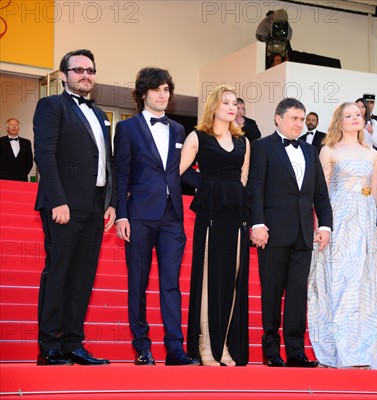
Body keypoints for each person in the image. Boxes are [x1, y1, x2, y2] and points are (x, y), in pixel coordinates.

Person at [307, 102, 377, 370]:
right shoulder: (328, 150)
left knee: (364, 282)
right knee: (341, 280)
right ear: (339, 121)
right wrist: (321, 225)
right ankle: (342, 347)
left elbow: (375, 192)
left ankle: (363, 346)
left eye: (359, 115)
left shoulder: (371, 153)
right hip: (339, 217)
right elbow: (321, 192)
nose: (355, 118)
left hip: (365, 219)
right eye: (349, 115)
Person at [33, 49, 115, 365]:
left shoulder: (99, 115)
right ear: (65, 74)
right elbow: (45, 154)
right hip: (64, 205)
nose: (85, 75)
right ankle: (49, 346)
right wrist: (57, 200)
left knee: (83, 276)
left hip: (95, 206)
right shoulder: (51, 106)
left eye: (90, 70)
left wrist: (110, 204)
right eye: (78, 69)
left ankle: (73, 343)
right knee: (59, 273)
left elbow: (107, 162)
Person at [114, 67, 197, 366]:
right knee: (137, 281)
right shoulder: (126, 129)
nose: (163, 95)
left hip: (172, 216)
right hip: (138, 215)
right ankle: (142, 346)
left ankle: (175, 348)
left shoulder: (178, 130)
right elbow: (120, 174)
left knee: (171, 282)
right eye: (156, 90)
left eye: (166, 90)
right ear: (143, 93)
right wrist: (121, 215)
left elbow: (179, 173)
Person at [247, 97, 333, 368]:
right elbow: (255, 188)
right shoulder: (262, 147)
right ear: (278, 118)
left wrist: (325, 225)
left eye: (301, 118)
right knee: (271, 293)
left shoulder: (310, 151)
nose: (299, 123)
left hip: (303, 235)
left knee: (297, 294)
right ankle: (271, 350)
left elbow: (320, 193)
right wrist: (257, 223)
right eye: (294, 118)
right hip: (272, 233)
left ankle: (295, 351)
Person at [181, 85, 250, 367]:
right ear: (214, 106)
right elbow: (180, 171)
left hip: (236, 213)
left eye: (235, 103)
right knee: (210, 277)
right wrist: (205, 187)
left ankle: (223, 345)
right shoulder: (198, 137)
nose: (232, 107)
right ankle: (205, 343)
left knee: (232, 278)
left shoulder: (244, 142)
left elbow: (244, 179)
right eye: (226, 102)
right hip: (211, 213)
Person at [0, 118, 33, 182]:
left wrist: (22, 173)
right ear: (7, 128)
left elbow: (29, 162)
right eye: (12, 125)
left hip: (22, 179)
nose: (14, 127)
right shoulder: (1, 142)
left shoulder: (26, 143)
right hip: (3, 180)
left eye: (16, 125)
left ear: (19, 128)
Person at [362, 94, 377, 166]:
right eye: (367, 103)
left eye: (371, 103)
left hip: (375, 158)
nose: (369, 105)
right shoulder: (356, 120)